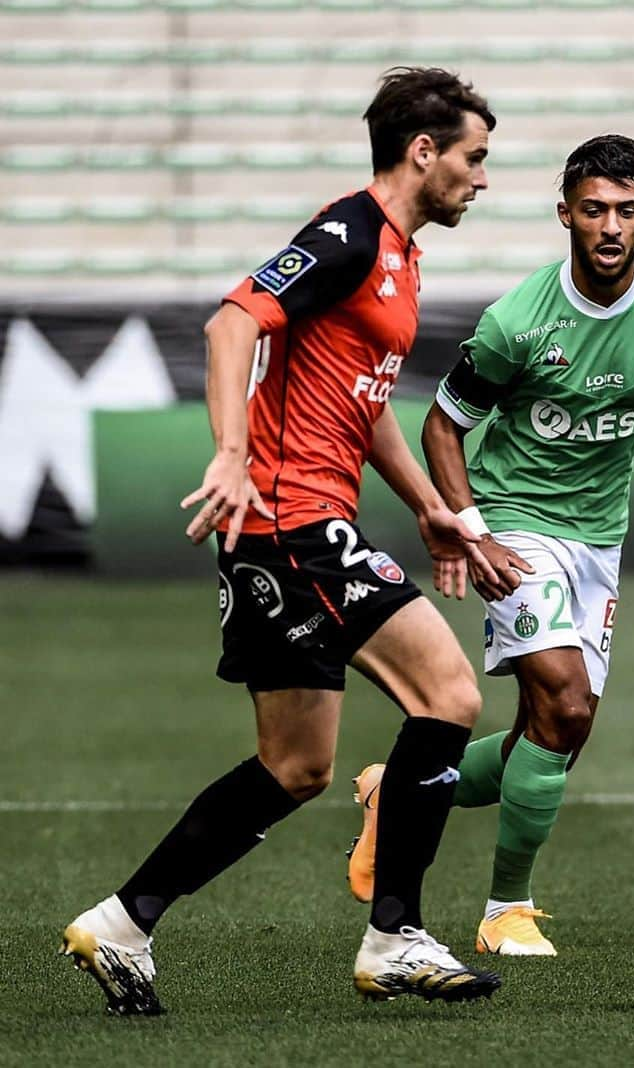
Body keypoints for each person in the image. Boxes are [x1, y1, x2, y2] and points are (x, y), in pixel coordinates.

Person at [60, 67, 506, 1014]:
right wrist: (231, 454)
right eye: (473, 157)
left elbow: (366, 405)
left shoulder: (399, 255)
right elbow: (232, 324)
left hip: (285, 533)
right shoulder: (348, 234)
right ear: (422, 152)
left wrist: (428, 506)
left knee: (296, 766)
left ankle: (122, 922)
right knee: (451, 693)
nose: (481, 177)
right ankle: (395, 937)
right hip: (296, 523)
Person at [346, 134, 634, 956]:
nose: (611, 227)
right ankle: (507, 910)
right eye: (595, 210)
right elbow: (442, 425)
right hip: (516, 523)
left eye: (627, 211)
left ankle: (394, 791)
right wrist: (472, 529)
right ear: (564, 214)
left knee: (559, 733)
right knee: (564, 703)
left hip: (597, 539)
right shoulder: (520, 322)